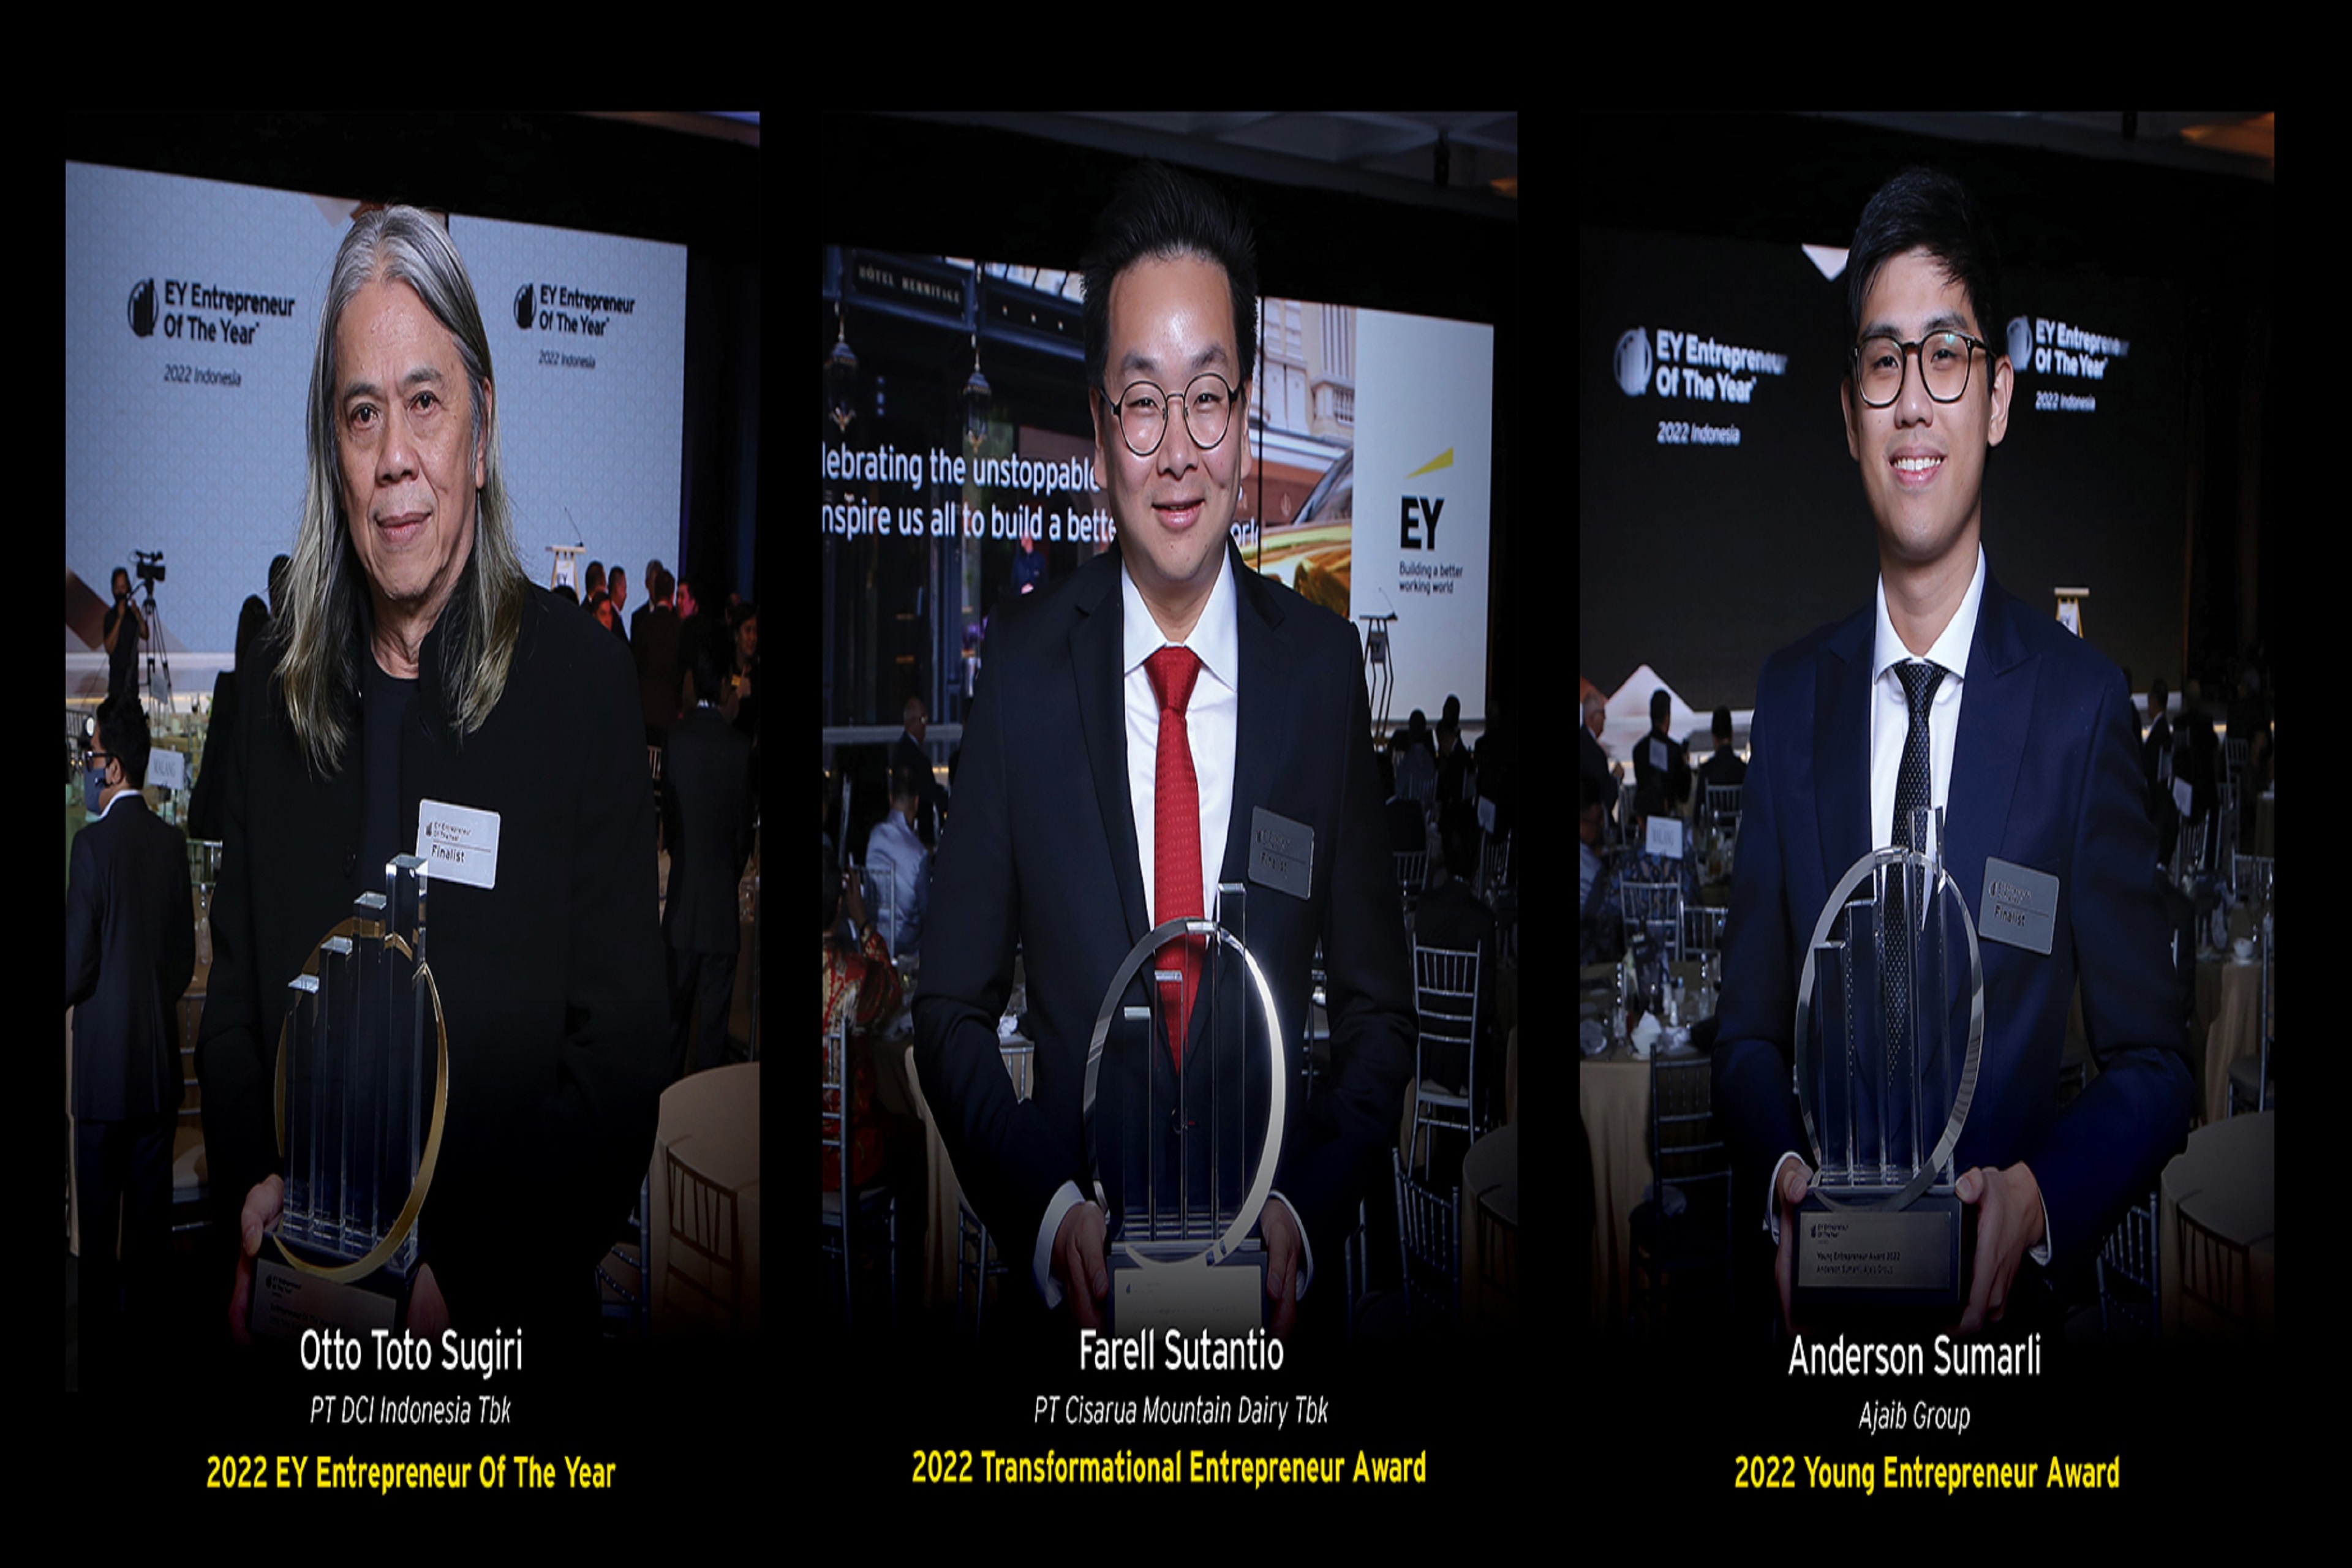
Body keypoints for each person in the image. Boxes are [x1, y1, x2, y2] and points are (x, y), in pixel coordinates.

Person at [913, 160, 1415, 1343]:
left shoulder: (1323, 675)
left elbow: (1385, 1020)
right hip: (1088, 1325)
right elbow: (946, 1013)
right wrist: (1047, 1216)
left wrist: (1308, 1200)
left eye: (1209, 398)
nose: (1178, 449)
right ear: (1100, 434)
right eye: (1144, 402)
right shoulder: (1024, 676)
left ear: (1242, 421)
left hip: (1277, 1318)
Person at [1711, 167, 2192, 1340]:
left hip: (2002, 1322)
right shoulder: (1792, 698)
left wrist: (2042, 1197)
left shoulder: (2080, 709)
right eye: (1884, 363)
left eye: (1947, 357)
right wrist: (1781, 1176)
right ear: (1848, 411)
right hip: (1818, 1313)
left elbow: (2155, 1061)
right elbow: (1747, 1035)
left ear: (1998, 398)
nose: (1914, 402)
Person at [197, 205, 667, 1354]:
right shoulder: (268, 693)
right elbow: (236, 1021)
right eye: (364, 413)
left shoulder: (581, 688)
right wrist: (256, 1190)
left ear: (481, 424)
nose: (396, 454)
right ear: (332, 445)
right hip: (304, 1317)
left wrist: (470, 1283)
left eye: (425, 401)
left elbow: (616, 1068)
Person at [66, 693, 195, 1385]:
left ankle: (98, 1374)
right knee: (151, 1241)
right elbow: (178, 962)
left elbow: (76, 965)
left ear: (113, 767)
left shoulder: (89, 848)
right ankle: (148, 1369)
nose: (88, 771)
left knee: (98, 1255)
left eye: (91, 759)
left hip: (98, 1074)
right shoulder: (170, 843)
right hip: (154, 1070)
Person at [662, 619, 756, 1077]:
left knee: (672, 1038)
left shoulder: (675, 745)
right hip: (721, 914)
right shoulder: (741, 750)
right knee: (713, 1051)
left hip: (680, 912)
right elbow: (744, 836)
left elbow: (672, 831)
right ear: (723, 684)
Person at [862, 765, 930, 964]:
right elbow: (928, 911)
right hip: (906, 951)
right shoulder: (919, 854)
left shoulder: (874, 836)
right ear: (916, 803)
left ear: (891, 798)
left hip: (874, 944)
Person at [102, 567, 146, 703]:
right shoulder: (110, 617)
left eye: (123, 587)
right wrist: (119, 619)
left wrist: (138, 616)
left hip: (132, 684)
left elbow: (146, 634)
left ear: (128, 588)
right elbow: (109, 648)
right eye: (117, 588)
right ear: (113, 590)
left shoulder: (133, 615)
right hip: (116, 685)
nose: (121, 591)